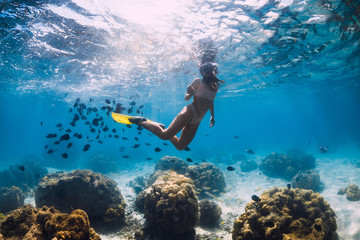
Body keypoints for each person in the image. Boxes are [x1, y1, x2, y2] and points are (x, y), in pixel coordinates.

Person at [130, 62, 224, 150]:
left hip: (198, 119)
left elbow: (210, 101)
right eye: (203, 73)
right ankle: (140, 121)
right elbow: (186, 98)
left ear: (212, 71)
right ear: (202, 73)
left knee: (180, 146)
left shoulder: (215, 86)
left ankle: (161, 128)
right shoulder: (198, 81)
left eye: (207, 72)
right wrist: (190, 93)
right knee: (165, 136)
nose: (205, 74)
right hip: (190, 112)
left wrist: (212, 116)